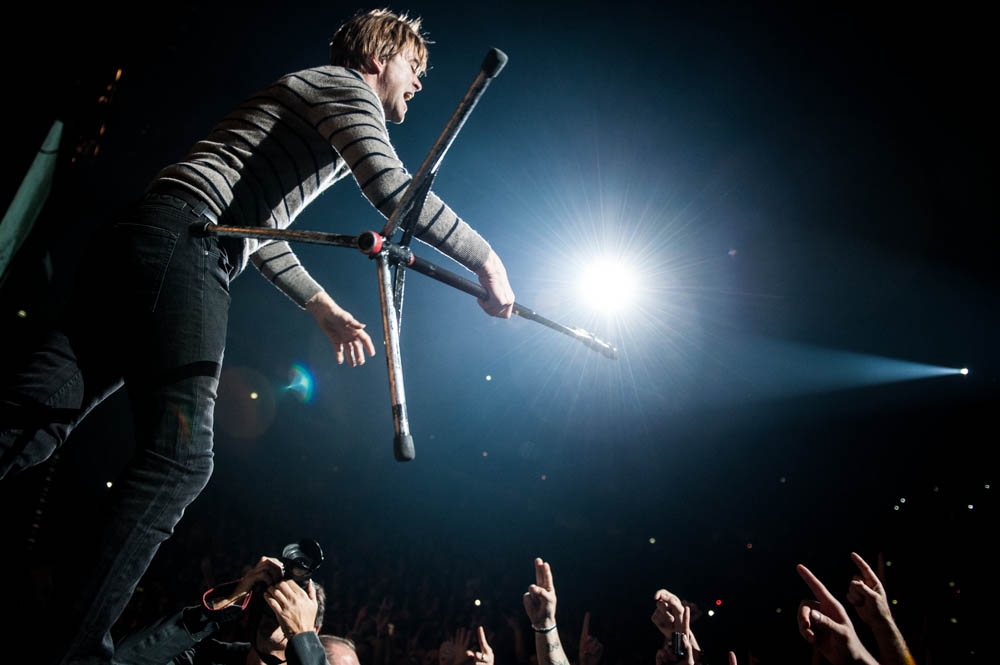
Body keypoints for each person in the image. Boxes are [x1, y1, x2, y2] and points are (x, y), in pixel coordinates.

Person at [0, 8, 516, 665]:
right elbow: (391, 188)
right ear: (381, 57)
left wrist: (323, 306)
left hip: (154, 234)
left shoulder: (315, 103)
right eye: (415, 68)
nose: (419, 85)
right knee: (179, 461)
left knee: (37, 416)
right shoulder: (347, 87)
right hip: (185, 243)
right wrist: (486, 258)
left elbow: (258, 232)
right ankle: (72, 652)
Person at [111, 555, 329, 665]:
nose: (277, 613)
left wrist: (302, 638)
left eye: (290, 606)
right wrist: (228, 600)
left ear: (315, 630)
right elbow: (122, 661)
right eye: (272, 601)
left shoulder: (308, 645)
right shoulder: (207, 658)